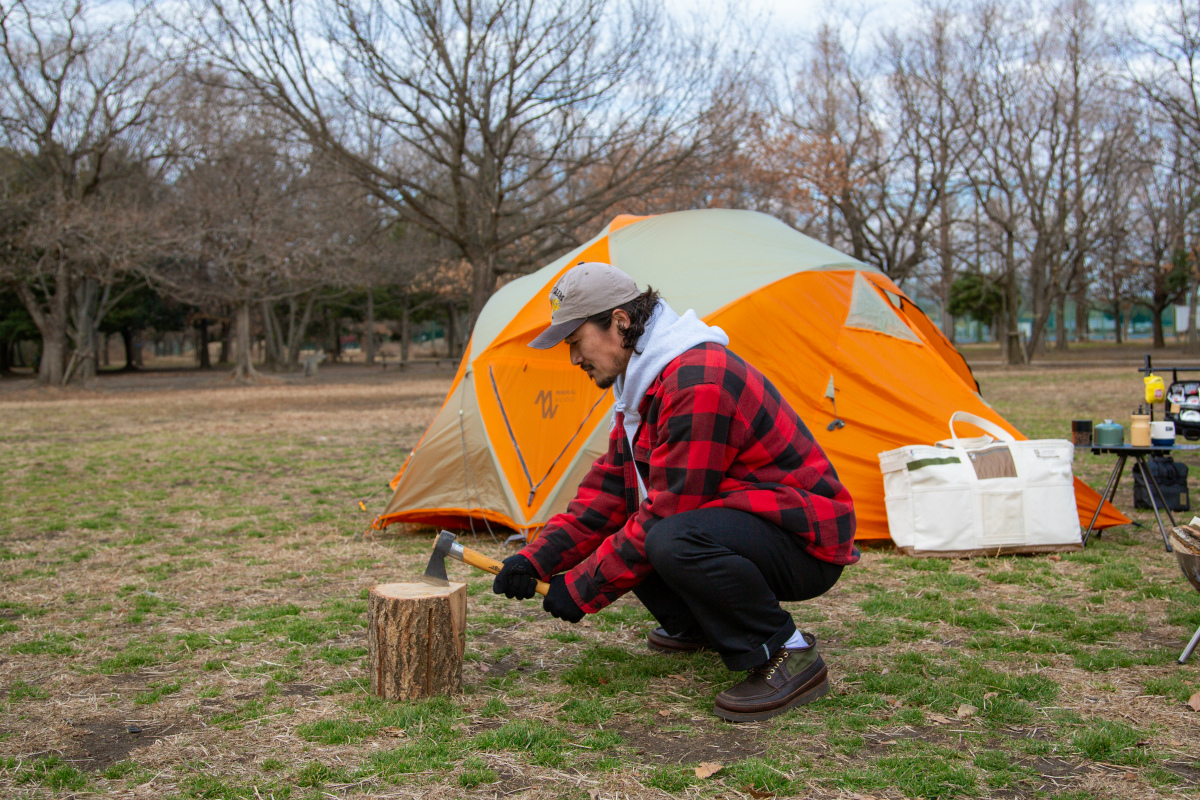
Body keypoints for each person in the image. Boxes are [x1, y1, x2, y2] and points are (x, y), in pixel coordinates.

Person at [492, 262, 858, 722]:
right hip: (748, 525)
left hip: (804, 542)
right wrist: (537, 558)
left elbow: (668, 512)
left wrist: (583, 588)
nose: (573, 358)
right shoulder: (644, 384)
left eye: (575, 341)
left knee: (669, 537)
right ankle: (697, 625)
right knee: (643, 518)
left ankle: (790, 652)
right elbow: (611, 490)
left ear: (620, 322)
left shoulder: (697, 380)